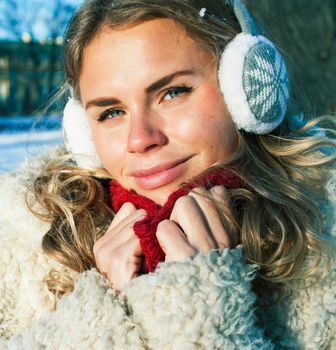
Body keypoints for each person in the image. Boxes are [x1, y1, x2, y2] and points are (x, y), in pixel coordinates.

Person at [0, 0, 335, 348]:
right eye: (112, 112)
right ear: (83, 131)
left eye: (172, 93)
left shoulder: (327, 244)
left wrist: (207, 310)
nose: (140, 139)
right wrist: (109, 313)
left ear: (248, 90)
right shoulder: (20, 248)